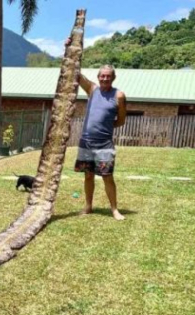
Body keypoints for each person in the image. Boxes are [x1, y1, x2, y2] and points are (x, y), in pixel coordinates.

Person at [65, 38, 127, 220]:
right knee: (88, 176)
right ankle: (88, 206)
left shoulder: (119, 96)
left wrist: (105, 128)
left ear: (113, 78)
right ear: (98, 77)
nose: (105, 78)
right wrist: (69, 48)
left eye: (108, 76)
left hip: (104, 142)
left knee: (107, 176)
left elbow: (121, 120)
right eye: (102, 76)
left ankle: (114, 209)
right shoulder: (92, 89)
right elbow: (76, 73)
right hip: (86, 141)